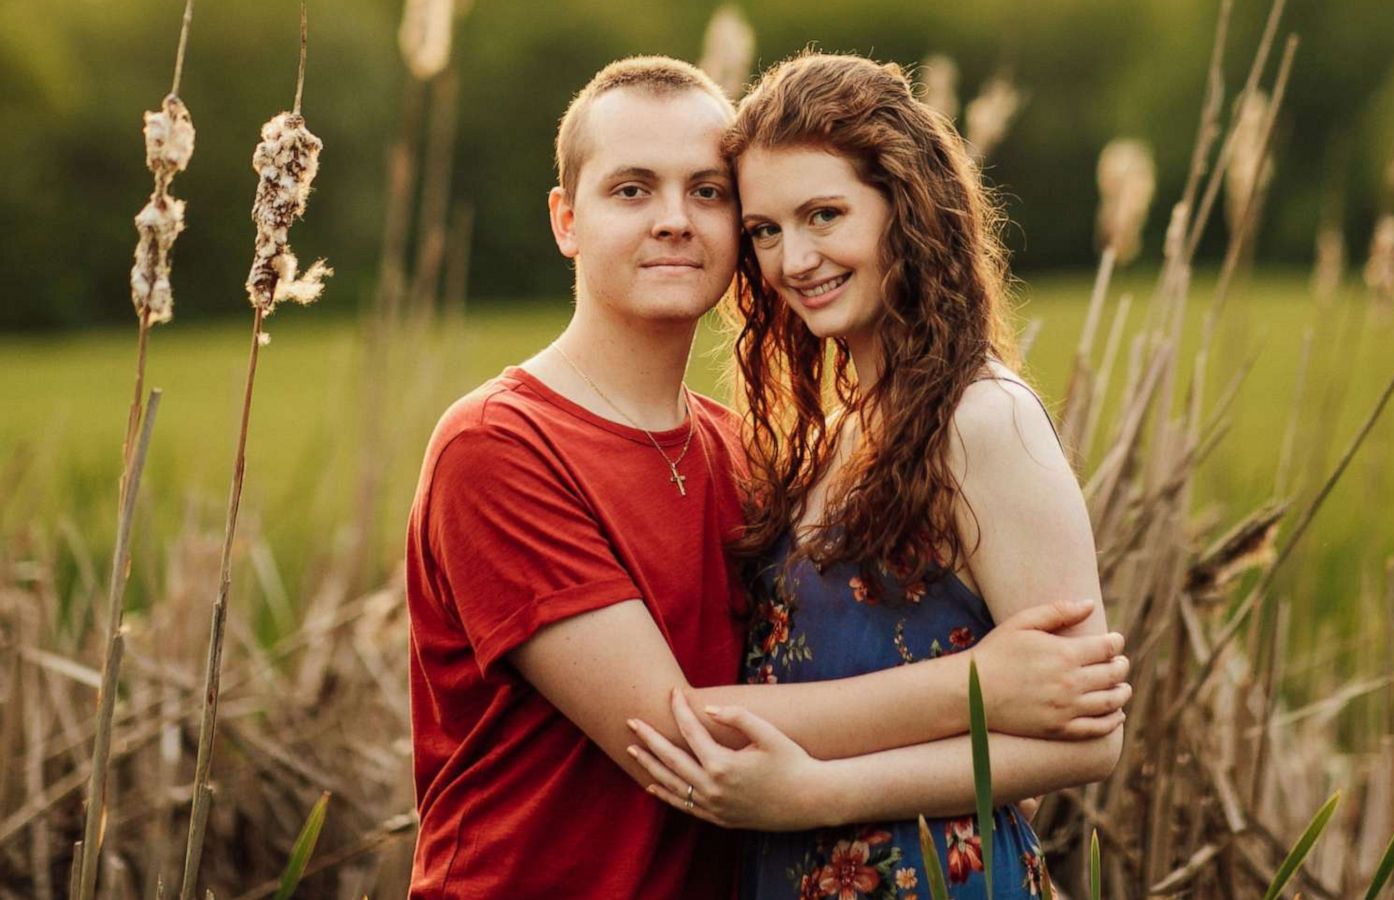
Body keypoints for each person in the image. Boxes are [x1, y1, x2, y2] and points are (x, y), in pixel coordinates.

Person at [405, 56, 1129, 899]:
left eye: (709, 194)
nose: (676, 220)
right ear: (567, 219)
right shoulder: (500, 444)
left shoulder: (747, 456)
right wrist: (979, 689)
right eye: (632, 190)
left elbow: (1061, 733)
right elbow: (665, 728)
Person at [623, 52, 1126, 898]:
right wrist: (974, 690)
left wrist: (816, 794)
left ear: (907, 210)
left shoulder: (982, 419)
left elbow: (1087, 738)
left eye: (825, 215)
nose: (794, 260)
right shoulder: (844, 425)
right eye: (767, 230)